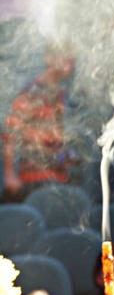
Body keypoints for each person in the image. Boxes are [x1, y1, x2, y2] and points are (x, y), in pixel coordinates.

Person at [2, 46, 75, 201]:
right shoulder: (31, 92)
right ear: (49, 57)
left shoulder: (61, 92)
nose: (70, 64)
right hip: (35, 180)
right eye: (65, 58)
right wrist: (9, 175)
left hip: (59, 177)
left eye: (72, 59)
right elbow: (10, 134)